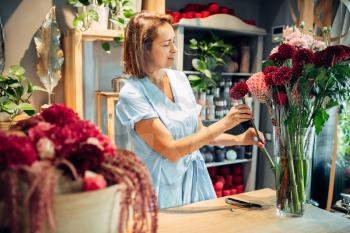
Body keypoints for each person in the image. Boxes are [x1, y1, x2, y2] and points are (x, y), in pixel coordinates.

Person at [115, 12, 265, 209]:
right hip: (159, 190)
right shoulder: (132, 94)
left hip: (193, 181)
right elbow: (171, 150)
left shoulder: (180, 79)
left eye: (174, 42)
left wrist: (239, 139)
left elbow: (199, 134)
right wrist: (225, 123)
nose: (175, 49)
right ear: (144, 48)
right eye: (166, 44)